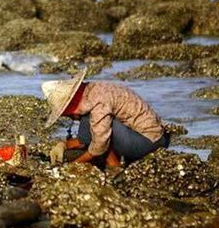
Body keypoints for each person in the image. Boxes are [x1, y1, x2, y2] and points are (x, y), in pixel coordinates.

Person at [42, 68, 170, 167]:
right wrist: (63, 145)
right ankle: (114, 162)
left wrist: (74, 165)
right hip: (145, 135)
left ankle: (114, 166)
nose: (73, 118)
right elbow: (86, 139)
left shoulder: (97, 102)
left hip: (149, 142)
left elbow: (99, 144)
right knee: (95, 124)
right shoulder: (92, 91)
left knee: (100, 129)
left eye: (69, 115)